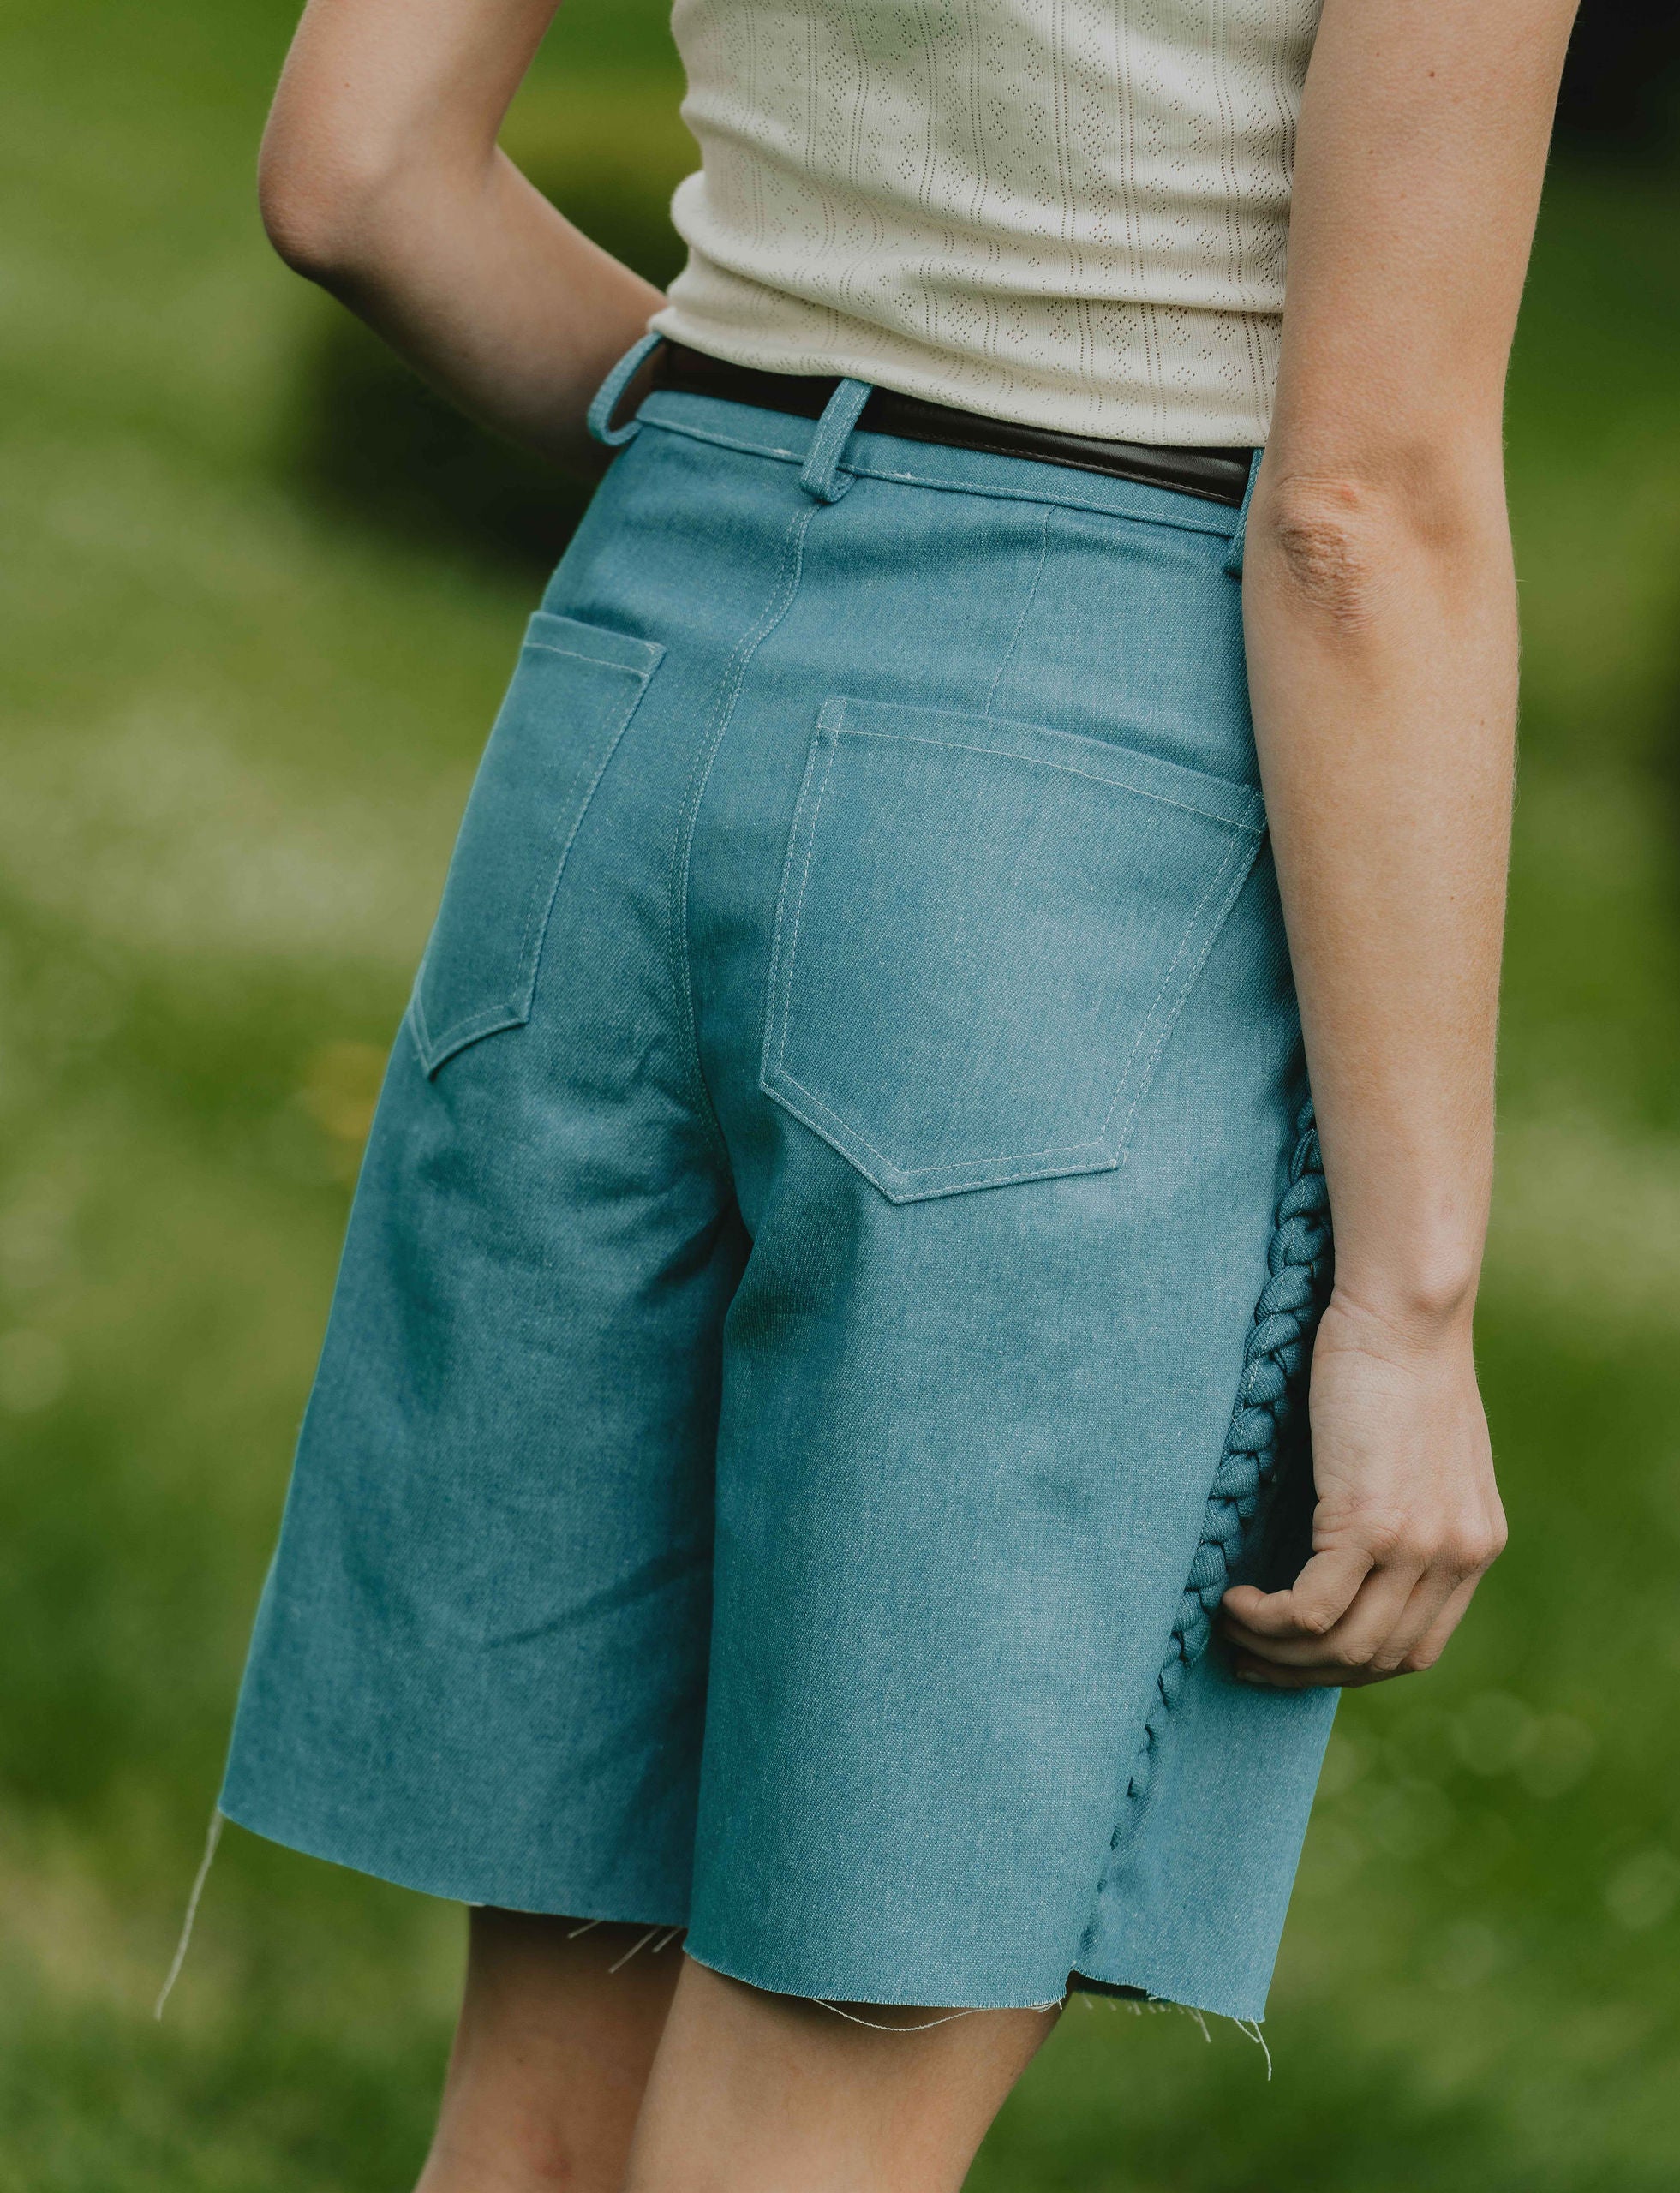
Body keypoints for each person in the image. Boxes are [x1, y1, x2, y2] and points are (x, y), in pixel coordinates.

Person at [215, 0, 1575, 2184]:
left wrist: (764, 478)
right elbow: (1355, 513)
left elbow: (356, 174)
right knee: (811, 2123)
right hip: (1070, 799)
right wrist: (1408, 1305)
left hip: (634, 692)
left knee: (533, 2132)